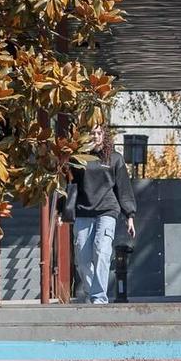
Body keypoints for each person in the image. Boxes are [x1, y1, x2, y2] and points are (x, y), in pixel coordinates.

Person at [63, 122, 135, 305]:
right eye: (91, 133)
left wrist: (130, 216)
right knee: (82, 257)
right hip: (83, 211)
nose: (94, 136)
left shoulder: (115, 158)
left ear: (104, 135)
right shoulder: (78, 159)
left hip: (107, 211)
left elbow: (124, 189)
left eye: (98, 133)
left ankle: (98, 299)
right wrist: (60, 210)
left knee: (102, 251)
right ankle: (92, 291)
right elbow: (69, 187)